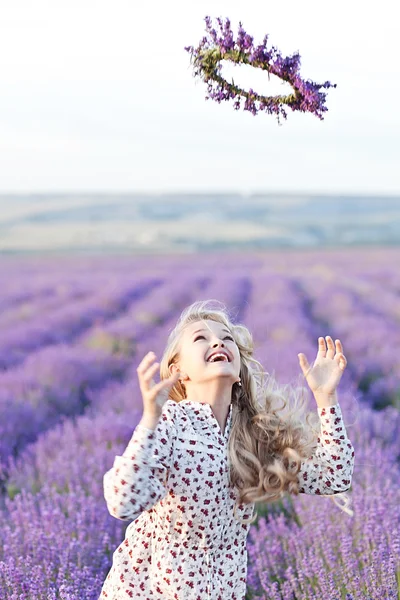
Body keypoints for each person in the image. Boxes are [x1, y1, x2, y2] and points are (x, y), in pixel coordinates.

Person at [99, 300, 355, 599]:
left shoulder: (253, 434)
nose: (218, 341)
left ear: (238, 369)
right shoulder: (171, 422)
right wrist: (149, 421)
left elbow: (334, 477)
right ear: (178, 370)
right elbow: (122, 503)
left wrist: (326, 398)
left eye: (227, 338)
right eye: (200, 338)